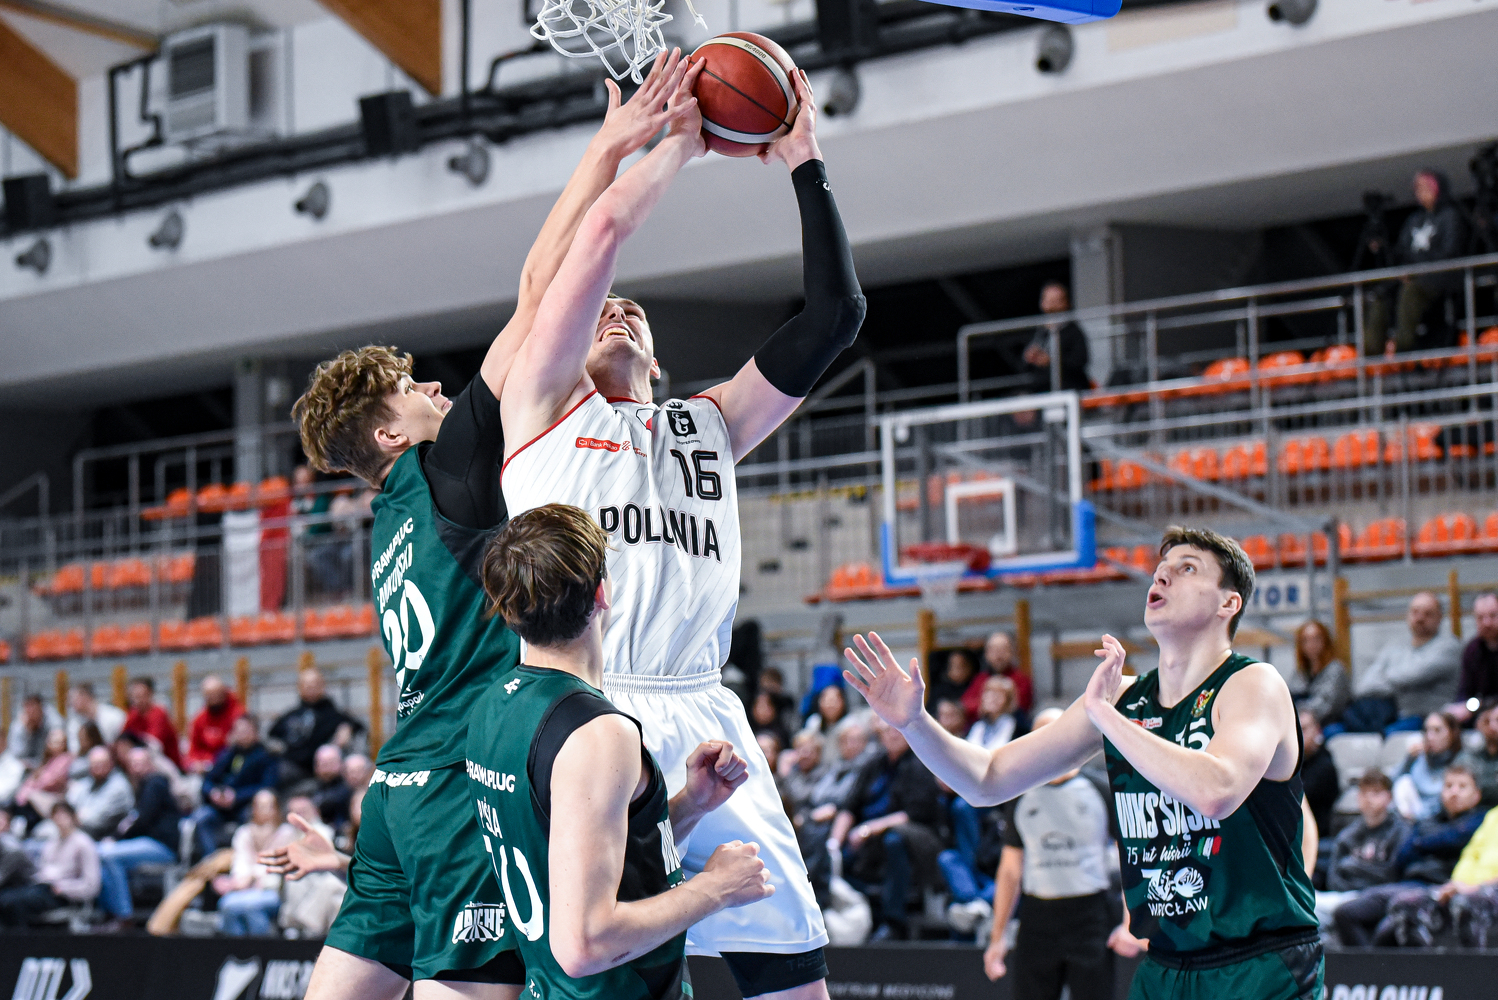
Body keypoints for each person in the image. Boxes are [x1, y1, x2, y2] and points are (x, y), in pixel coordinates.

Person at [289, 53, 701, 1000]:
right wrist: (610, 146)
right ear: (389, 435)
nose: (435, 385)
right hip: (453, 782)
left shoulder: (387, 521)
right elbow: (537, 288)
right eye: (411, 388)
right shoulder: (445, 475)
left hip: (395, 788)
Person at [498, 53, 863, 1000]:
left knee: (796, 981)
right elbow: (595, 241)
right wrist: (677, 143)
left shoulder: (710, 425)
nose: (616, 310)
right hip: (588, 708)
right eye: (601, 310)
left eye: (635, 314)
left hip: (704, 710)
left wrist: (804, 160)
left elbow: (836, 314)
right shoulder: (538, 408)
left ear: (659, 362)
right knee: (600, 973)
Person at [843, 527, 1322, 1000]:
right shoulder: (1122, 698)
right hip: (1167, 967)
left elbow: (1216, 792)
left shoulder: (1253, 683)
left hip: (1261, 966)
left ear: (1228, 603)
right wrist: (915, 724)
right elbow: (986, 779)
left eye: (1187, 568)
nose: (1162, 577)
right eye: (1161, 569)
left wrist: (1105, 717)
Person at [468, 502, 774, 998]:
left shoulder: (492, 707)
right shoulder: (596, 733)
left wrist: (689, 804)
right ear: (602, 593)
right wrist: (716, 888)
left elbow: (575, 856)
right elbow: (585, 944)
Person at [983, 707, 1140, 1000]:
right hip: (1037, 918)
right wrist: (997, 937)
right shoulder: (1019, 793)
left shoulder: (1100, 789)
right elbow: (1010, 870)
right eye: (1041, 735)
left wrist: (1130, 923)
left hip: (1090, 916)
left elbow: (1130, 859)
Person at [1332, 764, 1488, 945]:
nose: (1454, 792)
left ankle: (1374, 961)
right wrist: (1433, 844)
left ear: (1476, 795)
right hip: (1408, 884)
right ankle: (1368, 962)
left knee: (1388, 924)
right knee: (1347, 912)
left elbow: (1452, 839)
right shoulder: (1428, 822)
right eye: (1448, 786)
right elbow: (1402, 856)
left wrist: (1422, 844)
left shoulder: (1482, 821)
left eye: (1462, 787)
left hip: (1443, 889)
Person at [828, 716, 946, 941]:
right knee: (835, 851)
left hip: (915, 835)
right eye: (888, 731)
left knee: (894, 841)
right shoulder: (874, 764)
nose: (892, 735)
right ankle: (861, 916)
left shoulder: (919, 763)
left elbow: (914, 813)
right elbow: (849, 806)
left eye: (897, 730)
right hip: (868, 836)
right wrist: (833, 843)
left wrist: (869, 829)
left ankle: (894, 921)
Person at [1364, 170, 1470, 355]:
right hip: (1412, 276)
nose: (1421, 193)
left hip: (1439, 277)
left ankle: (1403, 350)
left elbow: (1450, 252)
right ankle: (1371, 353)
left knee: (1410, 293)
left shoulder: (1450, 216)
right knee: (1380, 295)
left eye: (1426, 188)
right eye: (1418, 189)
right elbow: (1401, 252)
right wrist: (1383, 248)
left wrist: (1417, 269)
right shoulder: (1414, 220)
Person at [1340, 592, 1461, 735]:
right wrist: (1396, 679)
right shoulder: (1395, 646)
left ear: (1439, 617)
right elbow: (1365, 685)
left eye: (1428, 614)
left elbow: (1411, 676)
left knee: (1384, 737)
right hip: (1393, 715)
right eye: (1415, 612)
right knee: (1334, 732)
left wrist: (1387, 675)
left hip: (1429, 718)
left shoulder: (1449, 647)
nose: (1420, 618)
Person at [96, 746, 181, 924]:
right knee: (99, 853)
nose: (136, 767)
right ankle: (108, 913)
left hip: (162, 846)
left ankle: (123, 916)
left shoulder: (155, 784)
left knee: (108, 855)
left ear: (150, 763)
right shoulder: (143, 786)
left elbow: (142, 820)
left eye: (141, 763)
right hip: (147, 842)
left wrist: (116, 840)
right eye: (133, 763)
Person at [190, 714, 279, 860]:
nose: (241, 734)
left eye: (246, 730)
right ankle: (211, 862)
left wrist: (237, 796)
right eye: (238, 730)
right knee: (201, 818)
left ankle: (243, 860)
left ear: (256, 732)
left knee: (250, 820)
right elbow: (208, 780)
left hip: (247, 805)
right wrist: (213, 792)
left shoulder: (266, 756)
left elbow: (267, 787)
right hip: (221, 806)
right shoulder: (227, 753)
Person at [0, 802, 98, 926]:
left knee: (15, 903)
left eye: (63, 815)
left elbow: (92, 886)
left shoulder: (84, 843)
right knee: (4, 897)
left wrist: (64, 888)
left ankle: (21, 937)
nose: (59, 819)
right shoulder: (51, 843)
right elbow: (42, 871)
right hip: (43, 888)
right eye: (56, 814)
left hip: (65, 896)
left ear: (73, 817)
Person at [214, 788, 296, 936]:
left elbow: (278, 866)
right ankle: (240, 948)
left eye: (269, 806)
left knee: (232, 905)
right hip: (245, 888)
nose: (264, 810)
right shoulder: (244, 832)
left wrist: (252, 876)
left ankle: (259, 947)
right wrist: (240, 880)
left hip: (274, 890)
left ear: (276, 809)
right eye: (260, 805)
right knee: (242, 908)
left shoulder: (286, 833)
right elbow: (240, 861)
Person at [266, 667, 365, 788]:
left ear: (323, 686)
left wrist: (348, 728)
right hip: (292, 768)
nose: (310, 687)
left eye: (314, 684)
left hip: (323, 774)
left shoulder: (334, 715)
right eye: (306, 684)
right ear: (299, 687)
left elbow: (359, 728)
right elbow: (272, 736)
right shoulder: (290, 716)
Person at [1324, 770, 1410, 893]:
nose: (1368, 799)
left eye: (1376, 792)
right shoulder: (1348, 834)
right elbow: (1333, 878)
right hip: (1346, 895)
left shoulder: (1401, 831)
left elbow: (1394, 874)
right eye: (1364, 793)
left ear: (1389, 797)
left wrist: (1352, 865)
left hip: (1383, 895)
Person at [1020, 282, 1091, 395]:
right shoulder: (1039, 331)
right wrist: (1029, 357)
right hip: (1040, 389)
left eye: (1055, 301)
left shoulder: (1073, 331)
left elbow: (1080, 361)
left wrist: (1052, 361)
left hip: (1069, 389)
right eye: (1048, 300)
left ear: (1066, 303)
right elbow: (1025, 365)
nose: (1051, 305)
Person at [1393, 711, 1462, 821]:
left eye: (1437, 730)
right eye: (1426, 730)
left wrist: (1419, 815)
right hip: (1409, 817)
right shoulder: (1417, 757)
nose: (1430, 737)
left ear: (1452, 734)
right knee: (1404, 782)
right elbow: (1390, 784)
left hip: (1443, 819)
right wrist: (1408, 759)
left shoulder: (1461, 763)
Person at [1287, 621, 1350, 726]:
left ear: (1325, 641)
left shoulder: (1335, 669)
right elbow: (1290, 697)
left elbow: (1327, 703)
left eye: (1316, 639)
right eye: (1306, 640)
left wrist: (1305, 713)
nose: (1311, 645)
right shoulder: (1300, 672)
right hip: (1304, 719)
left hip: (1332, 721)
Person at [66, 745, 134, 840]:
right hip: (82, 829)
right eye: (94, 764)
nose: (98, 768)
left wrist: (72, 818)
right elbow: (68, 805)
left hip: (107, 835)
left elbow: (96, 820)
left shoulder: (119, 786)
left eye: (102, 764)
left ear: (111, 763)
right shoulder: (89, 782)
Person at [185, 675, 244, 773]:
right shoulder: (199, 719)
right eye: (210, 696)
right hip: (206, 766)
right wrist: (197, 763)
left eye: (217, 695)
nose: (214, 700)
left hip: (230, 764)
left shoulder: (238, 716)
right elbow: (193, 750)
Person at [13, 728, 72, 826]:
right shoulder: (46, 760)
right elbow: (33, 779)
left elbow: (52, 781)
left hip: (50, 798)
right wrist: (25, 791)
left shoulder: (65, 759)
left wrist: (32, 789)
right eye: (54, 742)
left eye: (60, 742)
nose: (57, 745)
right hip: (34, 797)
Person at [1453, 594, 1498, 722]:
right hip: (1480, 713)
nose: (1487, 623)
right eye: (1480, 618)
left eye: (1493, 616)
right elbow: (1465, 691)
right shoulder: (1472, 650)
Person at [122, 677, 183, 770]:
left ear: (150, 694)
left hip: (166, 764)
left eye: (141, 696)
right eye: (135, 696)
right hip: (141, 762)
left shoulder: (159, 713)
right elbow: (123, 739)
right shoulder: (132, 715)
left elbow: (154, 745)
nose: (138, 700)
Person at [1298, 711, 1340, 836]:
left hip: (1320, 836)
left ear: (1317, 730)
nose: (1299, 734)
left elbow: (1300, 797)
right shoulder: (1294, 761)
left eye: (1303, 729)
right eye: (1295, 729)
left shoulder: (1325, 765)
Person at [1455, 699, 1498, 806]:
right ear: (1479, 724)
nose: (1492, 727)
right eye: (1487, 721)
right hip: (1471, 811)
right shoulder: (1467, 756)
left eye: (1497, 720)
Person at [66, 683, 125, 754]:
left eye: (73, 699)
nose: (70, 703)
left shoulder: (114, 715)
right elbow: (74, 750)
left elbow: (125, 741)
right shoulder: (74, 724)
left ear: (85, 697)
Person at [984, 631, 1034, 714]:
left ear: (1012, 652)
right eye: (994, 650)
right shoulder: (980, 679)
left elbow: (1021, 706)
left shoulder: (1022, 680)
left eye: (1003, 650)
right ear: (987, 654)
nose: (998, 655)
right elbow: (967, 705)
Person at [967, 676, 1022, 751]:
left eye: (998, 694)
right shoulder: (978, 726)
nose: (992, 698)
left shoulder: (1016, 726)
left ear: (1008, 701)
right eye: (989, 693)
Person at [8, 694, 61, 770]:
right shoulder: (18, 726)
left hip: (49, 762)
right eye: (28, 710)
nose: (32, 714)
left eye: (34, 709)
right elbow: (17, 754)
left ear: (41, 709)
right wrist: (27, 732)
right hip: (27, 766)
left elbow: (59, 741)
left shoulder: (51, 719)